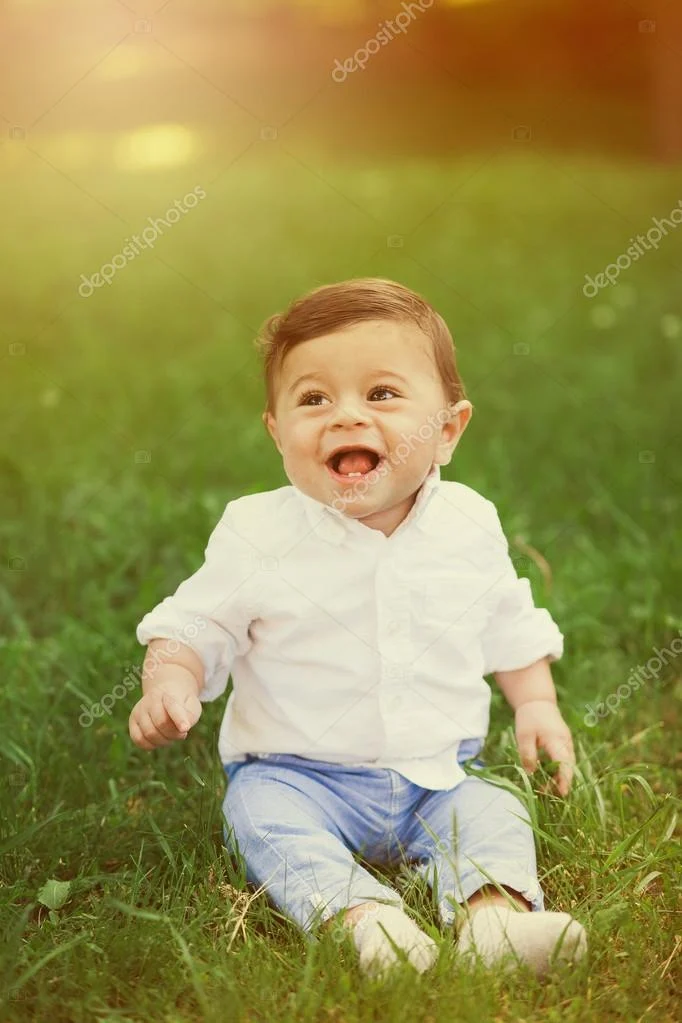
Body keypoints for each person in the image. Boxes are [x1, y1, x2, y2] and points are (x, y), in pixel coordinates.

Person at [130, 278, 587, 978]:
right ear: (277, 432)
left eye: (381, 394)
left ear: (447, 431)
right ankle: (364, 922)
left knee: (492, 810)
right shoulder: (258, 532)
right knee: (258, 818)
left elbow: (507, 620)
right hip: (297, 775)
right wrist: (170, 676)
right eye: (314, 399)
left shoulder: (468, 524)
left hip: (437, 776)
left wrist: (537, 704)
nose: (346, 416)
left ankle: (493, 920)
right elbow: (197, 620)